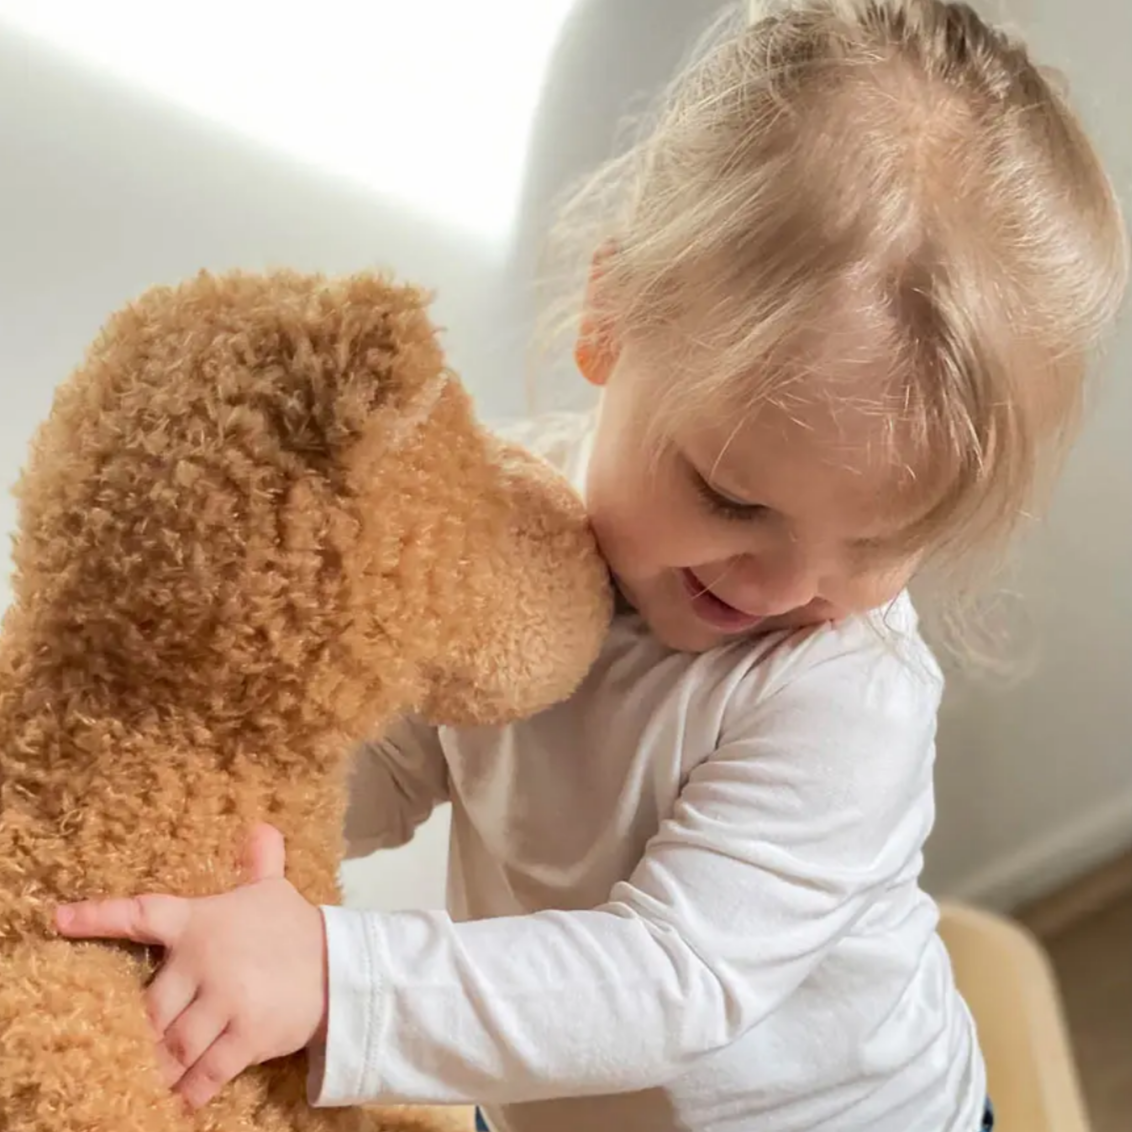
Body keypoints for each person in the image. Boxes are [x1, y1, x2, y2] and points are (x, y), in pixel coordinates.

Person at [55, 1, 1127, 1130]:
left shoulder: (844, 697)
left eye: (876, 546)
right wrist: (206, 841)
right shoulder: (508, 528)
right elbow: (395, 744)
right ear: (610, 316)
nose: (777, 589)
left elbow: (668, 976)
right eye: (730, 497)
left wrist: (334, 975)